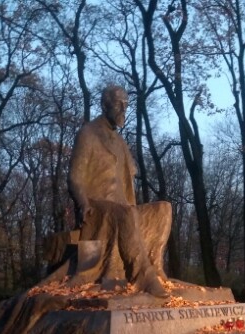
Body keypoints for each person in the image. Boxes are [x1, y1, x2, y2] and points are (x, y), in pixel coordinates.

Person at [68, 84, 171, 297]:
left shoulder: (120, 140)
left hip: (123, 208)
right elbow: (74, 177)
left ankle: (156, 266)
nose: (124, 109)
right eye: (118, 104)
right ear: (105, 105)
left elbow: (129, 174)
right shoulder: (88, 134)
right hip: (98, 208)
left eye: (126, 104)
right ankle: (143, 276)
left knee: (164, 208)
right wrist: (82, 203)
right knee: (125, 213)